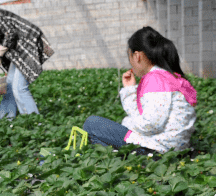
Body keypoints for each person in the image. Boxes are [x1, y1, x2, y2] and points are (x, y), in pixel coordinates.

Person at [83, 26, 197, 154]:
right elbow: (151, 118)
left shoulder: (156, 80)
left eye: (129, 57)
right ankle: (123, 157)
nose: (130, 63)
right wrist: (130, 89)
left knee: (91, 124)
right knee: (105, 133)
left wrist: (129, 96)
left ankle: (130, 158)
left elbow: (150, 125)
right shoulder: (168, 77)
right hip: (171, 147)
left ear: (137, 56)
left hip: (158, 149)